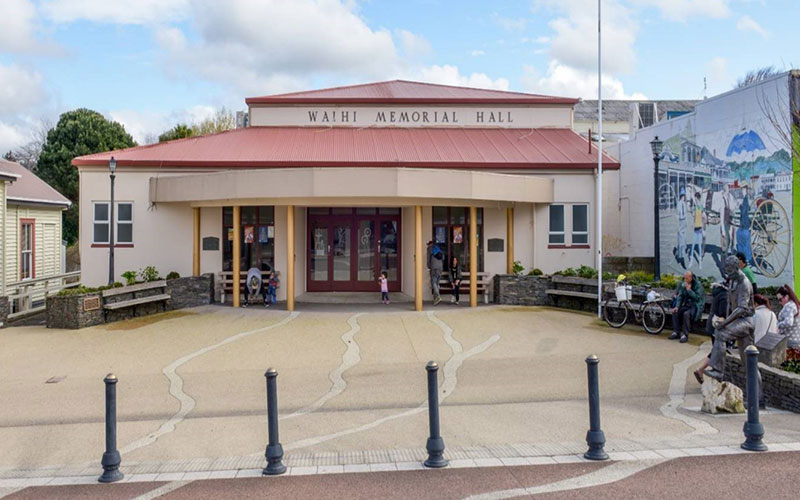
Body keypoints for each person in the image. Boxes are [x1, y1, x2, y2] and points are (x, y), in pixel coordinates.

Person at [704, 256, 758, 386]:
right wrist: (724, 320)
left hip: (746, 321)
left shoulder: (744, 283)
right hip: (739, 321)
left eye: (730, 270)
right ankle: (758, 397)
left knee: (721, 334)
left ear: (737, 267)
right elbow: (730, 303)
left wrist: (725, 323)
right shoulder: (733, 281)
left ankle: (718, 370)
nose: (728, 273)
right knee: (747, 363)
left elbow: (740, 309)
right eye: (726, 270)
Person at [693, 279, 729, 384]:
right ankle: (701, 369)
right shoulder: (724, 296)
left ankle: (708, 371)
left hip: (712, 325)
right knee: (717, 351)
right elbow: (723, 313)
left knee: (717, 350)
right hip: (718, 327)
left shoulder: (718, 293)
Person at [669, 271, 704, 343]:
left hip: (695, 306)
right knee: (675, 312)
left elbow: (698, 298)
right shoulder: (684, 284)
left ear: (691, 277)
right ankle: (676, 332)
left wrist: (689, 290)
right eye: (685, 278)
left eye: (687, 278)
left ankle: (685, 334)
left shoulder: (698, 285)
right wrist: (677, 306)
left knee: (686, 314)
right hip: (686, 305)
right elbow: (680, 296)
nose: (685, 280)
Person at [776, 285, 800, 349]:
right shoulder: (796, 305)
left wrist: (777, 325)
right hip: (796, 340)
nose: (780, 302)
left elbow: (788, 323)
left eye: (780, 299)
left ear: (786, 296)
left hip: (788, 341)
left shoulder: (788, 306)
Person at [426, 241, 444, 305]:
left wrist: (428, 267)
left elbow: (428, 259)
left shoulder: (429, 249)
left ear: (430, 244)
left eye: (428, 244)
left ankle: (438, 296)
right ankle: (436, 300)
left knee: (433, 282)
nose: (427, 246)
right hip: (440, 267)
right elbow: (443, 258)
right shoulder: (438, 249)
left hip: (434, 267)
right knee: (436, 284)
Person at [690, 191, 704, 269]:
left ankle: (700, 263)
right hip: (696, 227)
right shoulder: (696, 207)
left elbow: (701, 215)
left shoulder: (700, 206)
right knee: (693, 245)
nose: (695, 200)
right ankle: (691, 262)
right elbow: (694, 216)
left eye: (696, 198)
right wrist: (693, 223)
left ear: (697, 198)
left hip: (699, 227)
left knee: (698, 246)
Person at [676, 188, 687, 268]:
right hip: (680, 221)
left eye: (684, 195)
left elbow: (685, 213)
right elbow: (678, 214)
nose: (683, 197)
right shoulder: (679, 203)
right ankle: (680, 257)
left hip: (684, 222)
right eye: (683, 195)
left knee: (683, 241)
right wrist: (678, 226)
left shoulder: (684, 203)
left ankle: (682, 255)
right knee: (680, 241)